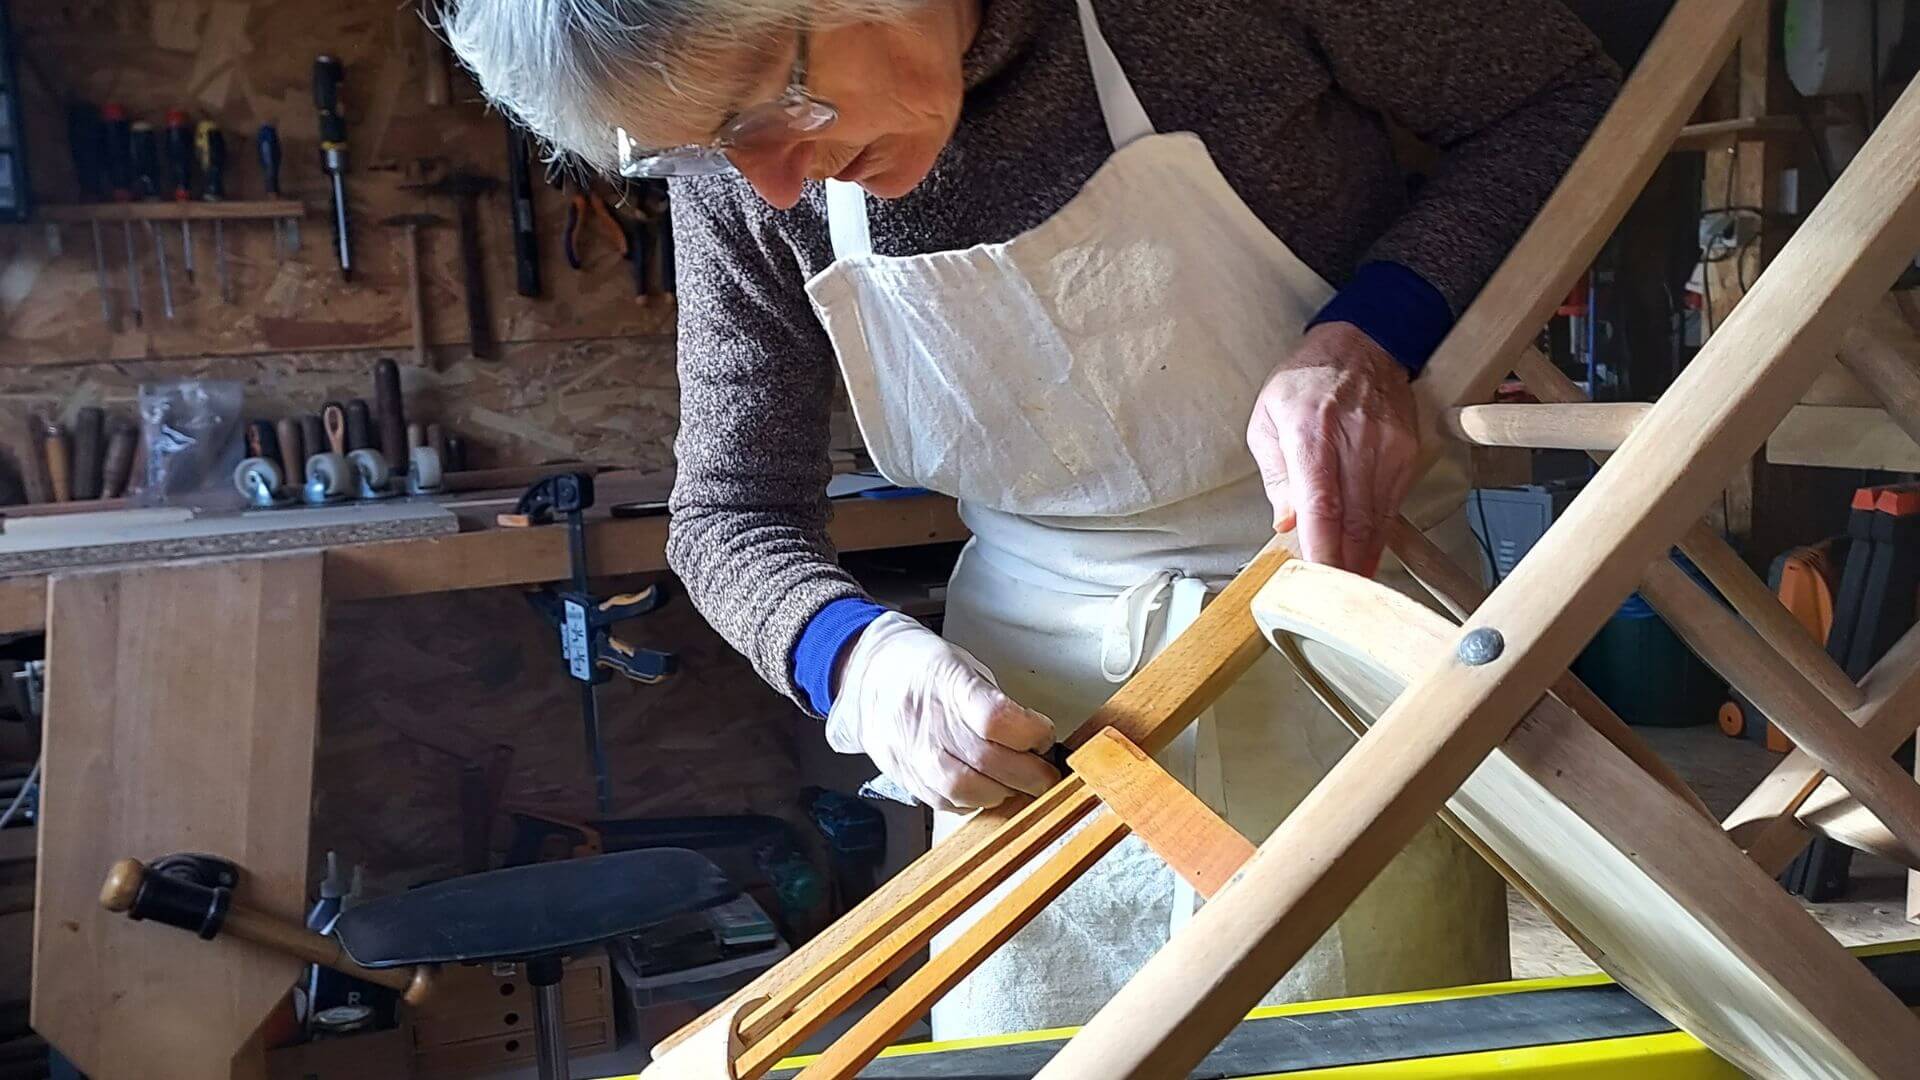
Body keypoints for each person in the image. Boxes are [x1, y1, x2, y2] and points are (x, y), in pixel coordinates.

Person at [444, 0, 1619, 1037]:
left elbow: (1554, 101)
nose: (774, 185)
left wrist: (1375, 333)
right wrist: (853, 659)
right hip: (1033, 728)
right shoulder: (745, 183)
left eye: (773, 108)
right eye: (708, 151)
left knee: (1369, 1044)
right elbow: (729, 511)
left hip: (1344, 619)